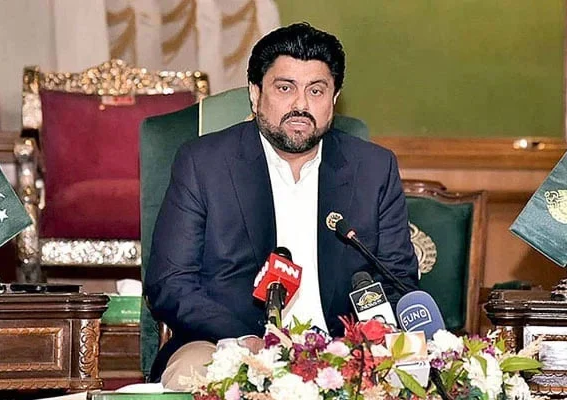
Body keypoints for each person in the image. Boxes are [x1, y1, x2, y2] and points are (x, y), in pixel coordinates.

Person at [144, 22, 419, 387]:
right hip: (226, 344)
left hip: (342, 351)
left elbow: (398, 279)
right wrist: (245, 340)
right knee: (189, 375)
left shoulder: (373, 168)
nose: (301, 105)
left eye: (316, 90)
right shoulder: (204, 163)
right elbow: (170, 283)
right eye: (285, 88)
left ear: (334, 99)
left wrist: (352, 348)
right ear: (255, 94)